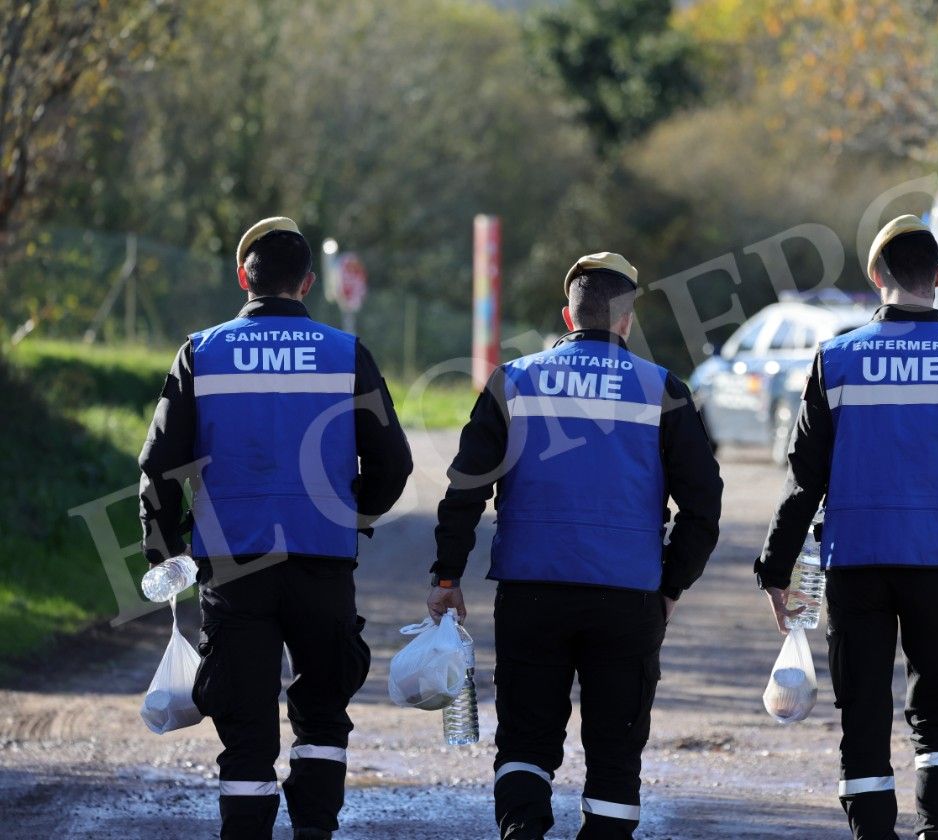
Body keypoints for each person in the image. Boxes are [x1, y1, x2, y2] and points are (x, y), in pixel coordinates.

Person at [428, 252, 723, 840]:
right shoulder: (662, 389)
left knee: (525, 742)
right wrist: (670, 585)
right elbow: (704, 505)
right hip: (627, 597)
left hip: (531, 593)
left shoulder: (513, 382)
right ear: (626, 319)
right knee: (615, 753)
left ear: (568, 314)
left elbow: (465, 488)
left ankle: (521, 830)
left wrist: (446, 574)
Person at [755, 216, 938, 840]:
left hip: (855, 566)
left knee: (863, 713)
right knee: (937, 713)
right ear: (936, 278)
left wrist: (775, 569)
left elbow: (805, 481)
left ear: (876, 277)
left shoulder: (836, 360)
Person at [138, 217, 413, 840]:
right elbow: (394, 463)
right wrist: (354, 517)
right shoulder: (346, 353)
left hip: (231, 566)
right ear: (308, 283)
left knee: (244, 720)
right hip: (322, 560)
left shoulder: (200, 352)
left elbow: (158, 465)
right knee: (321, 713)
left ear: (243, 278)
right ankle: (315, 831)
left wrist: (167, 550)